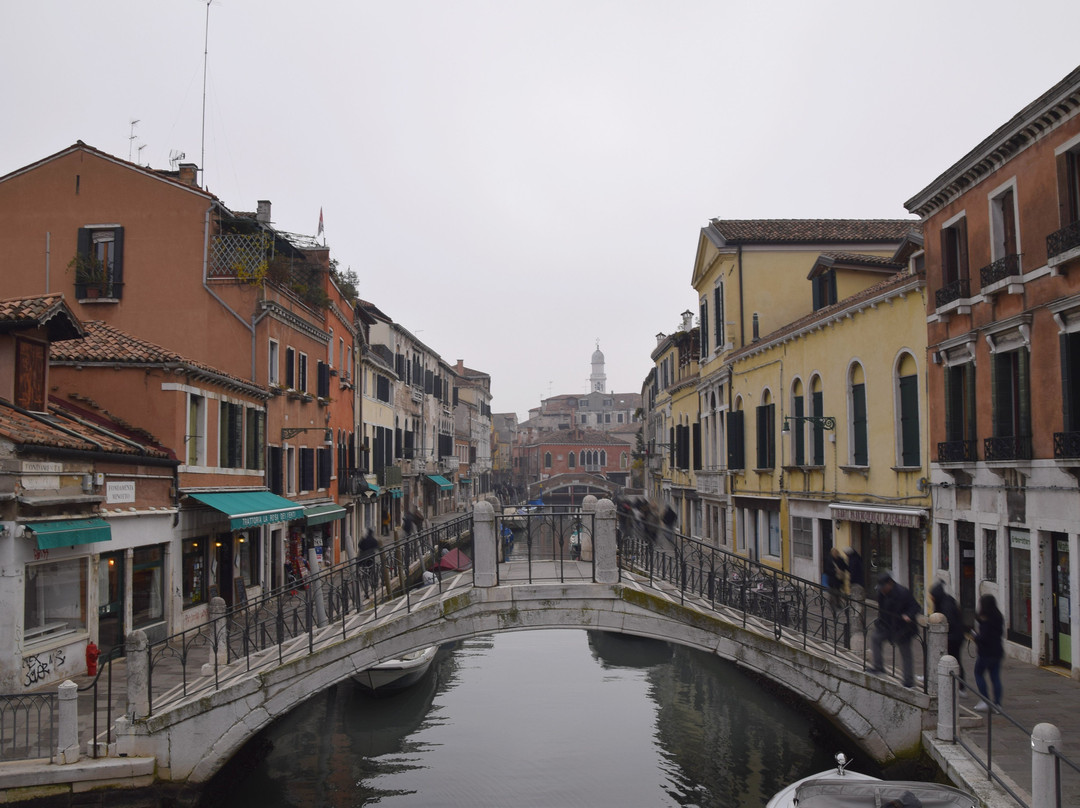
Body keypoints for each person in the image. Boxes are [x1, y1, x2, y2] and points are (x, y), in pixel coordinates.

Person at [870, 571, 921, 687]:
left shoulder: (903, 592)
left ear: (890, 583)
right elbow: (881, 610)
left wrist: (908, 615)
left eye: (884, 587)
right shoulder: (881, 593)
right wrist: (880, 623)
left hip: (903, 628)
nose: (882, 590)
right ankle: (878, 667)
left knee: (905, 653)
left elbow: (916, 607)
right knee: (875, 638)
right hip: (887, 625)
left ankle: (909, 681)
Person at [930, 580, 967, 691]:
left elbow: (949, 622)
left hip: (953, 638)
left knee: (954, 660)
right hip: (953, 637)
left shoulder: (946, 605)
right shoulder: (946, 601)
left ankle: (960, 687)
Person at [971, 593, 1004, 711]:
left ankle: (985, 700)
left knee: (978, 673)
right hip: (997, 651)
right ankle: (997, 704)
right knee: (995, 677)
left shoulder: (986, 620)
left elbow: (983, 638)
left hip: (986, 653)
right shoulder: (998, 616)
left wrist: (975, 636)